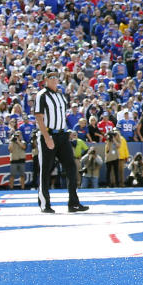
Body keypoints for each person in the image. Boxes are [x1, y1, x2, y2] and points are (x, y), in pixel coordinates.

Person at [33, 68, 87, 212]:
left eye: (55, 77)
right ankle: (45, 204)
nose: (53, 79)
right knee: (45, 170)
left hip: (62, 135)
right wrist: (46, 137)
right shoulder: (41, 95)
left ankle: (73, 203)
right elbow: (39, 117)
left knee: (71, 168)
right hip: (49, 135)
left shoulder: (60, 95)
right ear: (45, 79)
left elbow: (61, 115)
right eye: (50, 77)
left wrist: (65, 130)